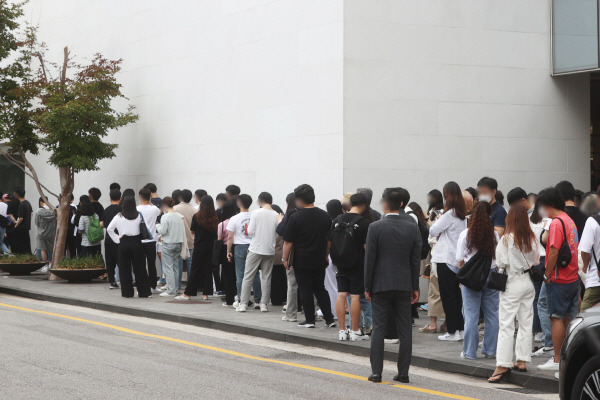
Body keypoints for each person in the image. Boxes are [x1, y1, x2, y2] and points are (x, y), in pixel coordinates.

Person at [365, 187, 421, 384]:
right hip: (404, 283)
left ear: (385, 203)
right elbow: (415, 260)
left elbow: (369, 260)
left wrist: (367, 286)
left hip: (380, 283)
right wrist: (415, 286)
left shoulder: (375, 227)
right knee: (405, 329)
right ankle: (404, 373)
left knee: (379, 328)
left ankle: (376, 373)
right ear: (401, 204)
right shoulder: (412, 227)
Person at [489, 205, 540, 383]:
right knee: (526, 322)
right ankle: (522, 360)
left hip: (512, 282)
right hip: (528, 282)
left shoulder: (506, 240)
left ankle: (503, 364)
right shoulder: (532, 238)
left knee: (506, 324)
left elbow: (501, 263)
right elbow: (536, 260)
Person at [536, 187, 580, 372]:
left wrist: (546, 274)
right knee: (569, 318)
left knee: (556, 318)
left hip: (559, 278)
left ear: (549, 204)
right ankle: (569, 357)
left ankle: (557, 360)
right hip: (573, 277)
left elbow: (553, 250)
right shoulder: (569, 220)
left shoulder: (555, 223)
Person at [282, 184, 335, 328]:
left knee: (305, 289)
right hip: (319, 257)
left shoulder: (296, 217)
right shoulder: (325, 216)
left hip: (301, 259)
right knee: (320, 288)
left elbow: (288, 242)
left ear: (299, 199)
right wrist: (326, 255)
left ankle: (310, 319)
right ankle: (329, 319)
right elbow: (328, 241)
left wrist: (284, 259)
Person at [455, 202, 499, 360]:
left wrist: (463, 276)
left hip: (471, 277)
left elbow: (459, 259)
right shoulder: (494, 234)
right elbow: (497, 257)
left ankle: (469, 352)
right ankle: (490, 351)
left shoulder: (466, 234)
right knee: (492, 314)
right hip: (491, 274)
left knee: (471, 315)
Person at [507, 187, 547, 345]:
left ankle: (538, 331)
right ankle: (537, 330)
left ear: (523, 200)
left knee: (538, 299)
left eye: (515, 205)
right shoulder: (534, 214)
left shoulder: (537, 215)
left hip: (538, 260)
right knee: (538, 299)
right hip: (535, 260)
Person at [429, 182, 467, 341]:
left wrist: (436, 220)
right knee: (457, 297)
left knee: (447, 297)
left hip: (445, 259)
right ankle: (460, 329)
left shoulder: (448, 214)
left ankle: (452, 332)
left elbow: (432, 230)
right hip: (457, 259)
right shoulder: (462, 214)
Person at [331, 193, 371, 341]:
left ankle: (342, 331)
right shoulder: (364, 223)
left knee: (341, 294)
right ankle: (355, 331)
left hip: (340, 263)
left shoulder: (337, 220)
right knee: (355, 296)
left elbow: (329, 242)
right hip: (357, 264)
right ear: (365, 205)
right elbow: (367, 247)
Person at [236, 192, 278, 312]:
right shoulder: (276, 214)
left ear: (260, 201)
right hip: (269, 249)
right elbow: (278, 233)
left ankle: (243, 303)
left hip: (255, 248)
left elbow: (250, 231)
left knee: (248, 276)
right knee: (266, 277)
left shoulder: (256, 213)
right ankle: (264, 304)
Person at [107, 196, 152, 298]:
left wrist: (117, 239)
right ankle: (144, 292)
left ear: (123, 204)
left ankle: (127, 293)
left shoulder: (119, 216)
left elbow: (109, 229)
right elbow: (146, 228)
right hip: (137, 242)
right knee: (140, 268)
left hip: (124, 242)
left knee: (124, 269)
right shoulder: (139, 215)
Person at [175, 195, 218, 300]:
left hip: (199, 246)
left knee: (195, 269)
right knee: (208, 269)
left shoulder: (197, 216)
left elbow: (192, 231)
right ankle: (206, 294)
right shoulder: (216, 217)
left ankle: (188, 293)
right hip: (211, 246)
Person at [226, 194, 261, 307]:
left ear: (239, 203)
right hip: (253, 247)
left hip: (240, 247)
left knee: (240, 275)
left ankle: (242, 300)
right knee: (255, 274)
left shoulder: (235, 218)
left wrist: (228, 251)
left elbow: (230, 237)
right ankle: (258, 300)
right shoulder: (255, 216)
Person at [420, 189, 446, 334]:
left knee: (435, 291)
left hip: (437, 256)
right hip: (447, 259)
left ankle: (433, 324)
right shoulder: (453, 215)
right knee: (447, 291)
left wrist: (428, 221)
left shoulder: (440, 215)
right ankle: (447, 323)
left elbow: (432, 234)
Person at [156, 197, 185, 297]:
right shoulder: (179, 216)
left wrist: (157, 226)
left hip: (168, 243)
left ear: (164, 206)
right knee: (176, 266)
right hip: (178, 242)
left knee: (168, 267)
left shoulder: (165, 217)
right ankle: (176, 288)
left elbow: (163, 231)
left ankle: (170, 290)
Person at [577, 189, 600, 311]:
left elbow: (585, 251)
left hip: (596, 280)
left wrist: (586, 267)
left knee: (584, 317)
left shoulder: (592, 221)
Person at [278, 193, 300, 322]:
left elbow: (281, 232)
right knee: (311, 286)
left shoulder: (291, 213)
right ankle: (312, 314)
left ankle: (291, 314)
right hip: (311, 254)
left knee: (292, 284)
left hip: (293, 254)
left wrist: (284, 258)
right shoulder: (315, 214)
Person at [137, 188, 161, 293]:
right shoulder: (154, 209)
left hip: (140, 240)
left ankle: (142, 286)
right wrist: (151, 203)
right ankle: (153, 286)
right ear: (149, 197)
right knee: (152, 264)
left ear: (140, 197)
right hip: (152, 240)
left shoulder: (137, 208)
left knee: (141, 265)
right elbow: (159, 212)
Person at [174, 189, 196, 289]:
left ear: (180, 197)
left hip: (178, 240)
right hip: (191, 240)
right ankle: (191, 288)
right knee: (191, 266)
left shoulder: (174, 208)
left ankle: (177, 287)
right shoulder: (194, 210)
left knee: (177, 266)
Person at [100, 189, 122, 289]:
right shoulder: (122, 209)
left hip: (108, 238)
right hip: (119, 238)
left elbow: (101, 224)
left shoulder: (106, 210)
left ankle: (112, 282)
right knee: (120, 260)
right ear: (120, 198)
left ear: (110, 199)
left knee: (109, 260)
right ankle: (125, 280)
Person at [218, 200, 238, 306]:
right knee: (238, 274)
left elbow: (219, 238)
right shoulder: (237, 220)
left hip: (225, 248)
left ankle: (229, 299)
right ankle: (240, 297)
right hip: (238, 247)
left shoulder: (222, 224)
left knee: (227, 275)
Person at [270, 204, 287, 306]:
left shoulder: (276, 222)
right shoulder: (285, 220)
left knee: (275, 278)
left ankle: (276, 299)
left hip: (275, 253)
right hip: (284, 253)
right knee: (283, 277)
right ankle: (284, 297)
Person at [34, 197, 57, 271]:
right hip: (51, 233)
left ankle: (45, 265)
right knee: (51, 249)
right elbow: (56, 222)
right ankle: (51, 263)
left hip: (41, 233)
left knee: (43, 249)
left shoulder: (38, 211)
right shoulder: (53, 211)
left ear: (41, 202)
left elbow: (36, 222)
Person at [10, 188, 32, 254]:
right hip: (27, 227)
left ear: (17, 195)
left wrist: (16, 225)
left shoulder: (22, 205)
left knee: (21, 247)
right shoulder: (28, 203)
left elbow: (21, 218)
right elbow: (31, 214)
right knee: (27, 245)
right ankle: (28, 258)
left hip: (21, 228)